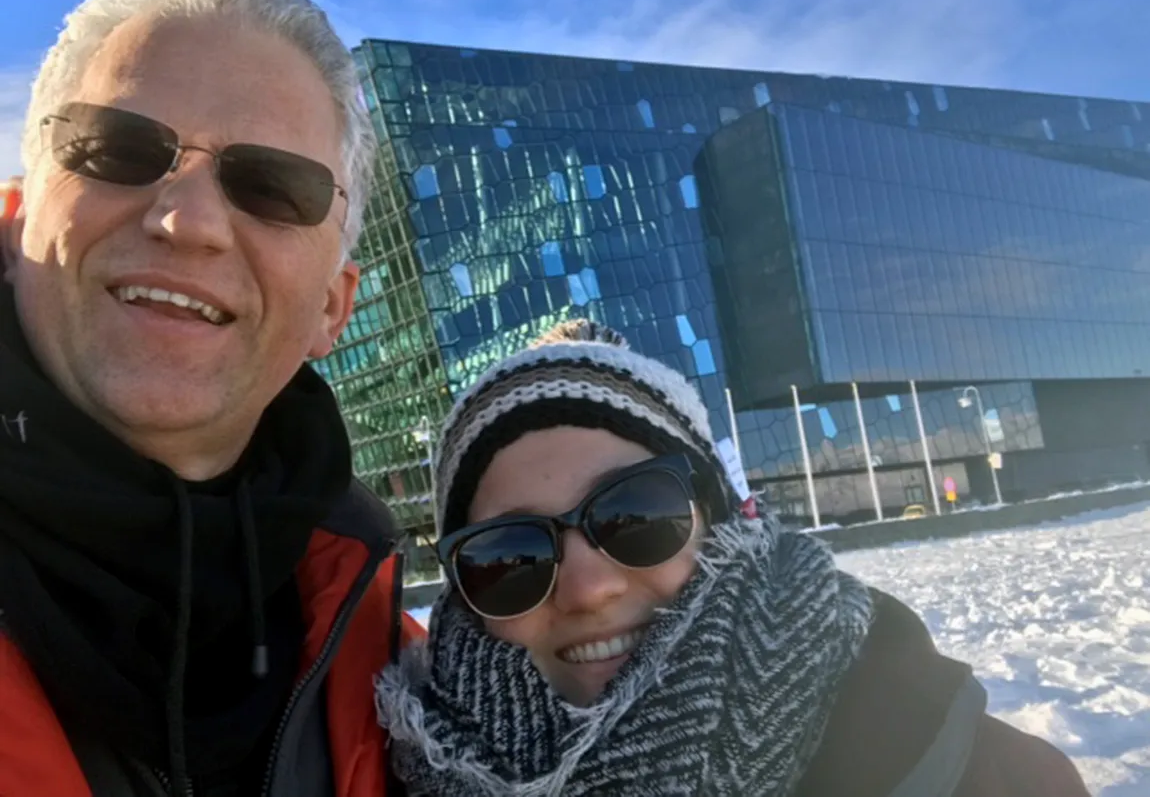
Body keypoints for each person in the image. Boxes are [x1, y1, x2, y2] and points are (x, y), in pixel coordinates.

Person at [0, 0, 421, 797]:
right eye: (119, 147)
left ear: (333, 310)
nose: (186, 221)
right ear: (14, 220)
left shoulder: (413, 690)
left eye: (271, 186)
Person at [376, 319, 1089, 796]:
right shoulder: (387, 770)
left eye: (636, 515)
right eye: (511, 554)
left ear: (717, 521)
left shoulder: (997, 777)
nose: (589, 587)